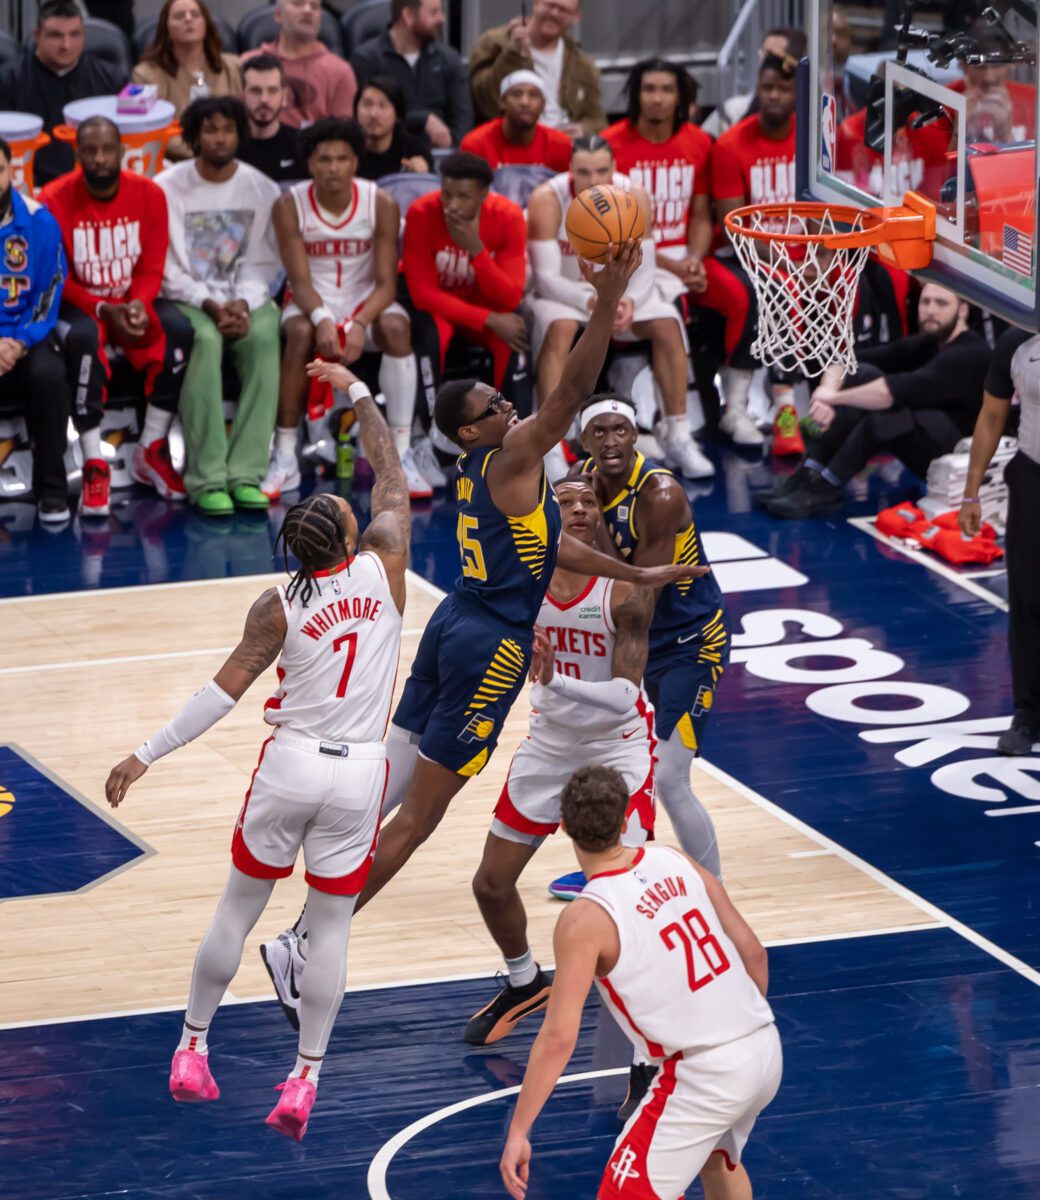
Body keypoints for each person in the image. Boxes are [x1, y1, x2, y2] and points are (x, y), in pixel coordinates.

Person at [260, 246, 704, 1026]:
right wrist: (607, 299)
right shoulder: (515, 454)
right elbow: (571, 393)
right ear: (474, 429)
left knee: (384, 790)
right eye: (496, 404)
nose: (509, 405)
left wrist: (634, 574)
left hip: (453, 621)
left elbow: (544, 548)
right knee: (417, 820)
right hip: (491, 645)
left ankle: (308, 906)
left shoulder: (475, 469)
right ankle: (305, 942)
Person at [103, 372, 411, 1141]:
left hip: (290, 765)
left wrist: (144, 755)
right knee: (330, 930)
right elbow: (390, 474)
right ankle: (305, 1078)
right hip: (360, 773)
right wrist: (357, 389)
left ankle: (192, 1048)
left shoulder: (277, 605)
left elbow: (220, 694)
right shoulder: (385, 565)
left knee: (238, 910)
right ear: (349, 539)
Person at [499, 765, 782, 1200]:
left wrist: (519, 1130)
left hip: (704, 1072)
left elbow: (559, 1038)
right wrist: (738, 1027)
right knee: (718, 1161)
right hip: (762, 1046)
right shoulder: (674, 858)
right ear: (627, 817)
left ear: (562, 826)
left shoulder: (584, 918)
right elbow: (754, 954)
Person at [465, 477, 655, 1049]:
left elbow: (626, 694)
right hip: (549, 744)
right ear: (546, 515)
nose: (577, 509)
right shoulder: (522, 583)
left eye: (588, 501)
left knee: (623, 898)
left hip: (617, 745)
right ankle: (524, 982)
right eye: (565, 501)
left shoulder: (624, 590)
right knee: (491, 884)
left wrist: (553, 682)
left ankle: (646, 1037)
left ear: (599, 516)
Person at [550, 394, 728, 908]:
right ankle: (615, 868)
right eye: (599, 432)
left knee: (670, 778)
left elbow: (638, 593)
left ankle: (714, 894)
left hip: (689, 642)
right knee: (617, 761)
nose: (611, 442)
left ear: (635, 435)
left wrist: (595, 533)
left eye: (620, 431)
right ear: (583, 440)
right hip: (636, 638)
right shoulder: (581, 483)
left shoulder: (660, 494)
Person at [527, 134, 712, 478]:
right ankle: (551, 444)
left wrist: (627, 301)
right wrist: (595, 301)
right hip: (566, 294)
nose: (593, 181)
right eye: (584, 172)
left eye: (602, 171)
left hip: (623, 289)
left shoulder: (634, 196)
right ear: (570, 169)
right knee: (561, 328)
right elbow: (545, 277)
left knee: (667, 323)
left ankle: (677, 433)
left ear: (614, 167)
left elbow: (646, 264)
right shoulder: (547, 199)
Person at [264, 117, 426, 500]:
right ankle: (284, 454)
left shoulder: (380, 202)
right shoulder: (288, 205)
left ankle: (400, 455)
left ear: (355, 161)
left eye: (341, 159)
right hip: (310, 302)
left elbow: (387, 284)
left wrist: (359, 322)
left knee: (397, 329)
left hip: (365, 302)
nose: (333, 168)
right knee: (300, 332)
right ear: (310, 163)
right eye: (324, 159)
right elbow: (298, 280)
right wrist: (323, 318)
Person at [604, 59, 761, 455]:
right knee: (672, 308)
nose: (656, 98)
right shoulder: (611, 145)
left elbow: (703, 213)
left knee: (745, 297)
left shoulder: (700, 142)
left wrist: (693, 258)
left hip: (686, 255)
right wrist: (672, 266)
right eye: (648, 89)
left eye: (666, 90)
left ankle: (736, 408)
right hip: (631, 256)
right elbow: (612, 230)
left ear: (681, 97)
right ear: (635, 95)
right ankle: (659, 419)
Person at [40, 117, 194, 517]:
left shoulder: (149, 194)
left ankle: (151, 448)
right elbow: (57, 275)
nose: (100, 158)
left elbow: (152, 265)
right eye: (90, 151)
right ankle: (94, 461)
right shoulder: (53, 198)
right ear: (77, 154)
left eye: (108, 149)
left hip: (130, 301)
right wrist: (102, 308)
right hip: (81, 304)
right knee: (84, 340)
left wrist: (139, 302)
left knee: (178, 329)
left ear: (122, 151)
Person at [760, 284, 991, 519]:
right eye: (925, 302)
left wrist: (834, 397)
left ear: (963, 310)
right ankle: (810, 473)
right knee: (863, 374)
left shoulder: (970, 353)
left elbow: (891, 393)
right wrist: (825, 392)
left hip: (965, 461)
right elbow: (847, 360)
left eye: (941, 303)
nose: (931, 310)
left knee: (886, 415)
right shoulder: (927, 343)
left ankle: (827, 487)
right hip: (933, 441)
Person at [156, 97, 281, 516]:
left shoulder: (262, 188)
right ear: (194, 136)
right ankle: (207, 477)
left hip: (246, 299)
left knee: (265, 337)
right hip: (188, 299)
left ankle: (246, 474)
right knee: (203, 341)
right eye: (210, 129)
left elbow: (266, 262)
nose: (220, 138)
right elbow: (166, 266)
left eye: (227, 129)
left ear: (240, 134)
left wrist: (242, 303)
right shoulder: (166, 186)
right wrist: (208, 303)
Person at [711, 52, 800, 446]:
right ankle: (743, 408)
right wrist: (787, 263)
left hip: (806, 251)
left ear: (798, 92)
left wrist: (822, 256)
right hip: (745, 256)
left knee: (858, 285)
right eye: (767, 88)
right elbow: (736, 229)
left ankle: (829, 400)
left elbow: (826, 208)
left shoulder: (814, 138)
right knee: (766, 292)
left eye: (783, 88)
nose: (774, 95)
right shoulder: (731, 145)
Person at [401, 153, 530, 422]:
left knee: (513, 333)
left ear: (483, 194)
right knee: (434, 334)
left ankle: (509, 424)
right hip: (437, 309)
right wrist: (488, 318)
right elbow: (423, 295)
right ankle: (428, 426)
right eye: (446, 194)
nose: (452, 205)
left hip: (479, 303)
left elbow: (510, 296)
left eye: (463, 196)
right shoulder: (421, 212)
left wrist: (476, 250)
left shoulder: (507, 216)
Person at [959, 326, 1039, 755]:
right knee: (1027, 598)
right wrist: (971, 493)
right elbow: (991, 416)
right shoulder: (1016, 342)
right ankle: (1027, 714)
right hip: (1032, 479)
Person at [0, 137, 69, 523]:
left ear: (11, 172)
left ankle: (53, 491)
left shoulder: (39, 220)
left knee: (50, 376)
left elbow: (49, 291)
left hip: (25, 335)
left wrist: (18, 343)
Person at [0, 0, 128, 187]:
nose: (66, 45)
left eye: (75, 34)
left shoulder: (111, 78)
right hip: (29, 183)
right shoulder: (7, 80)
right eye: (56, 36)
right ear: (37, 36)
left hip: (96, 182)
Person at [469, 0, 605, 136]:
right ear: (536, 3)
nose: (554, 13)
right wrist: (513, 54)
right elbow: (484, 102)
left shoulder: (581, 64)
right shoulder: (495, 43)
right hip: (511, 140)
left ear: (576, 16)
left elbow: (597, 120)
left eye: (563, 10)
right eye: (550, 5)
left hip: (563, 142)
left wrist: (583, 129)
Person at [351, 0, 472, 151]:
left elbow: (463, 123)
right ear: (408, 16)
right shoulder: (367, 59)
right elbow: (365, 120)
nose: (442, 19)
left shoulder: (449, 60)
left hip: (442, 155)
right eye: (434, 13)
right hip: (386, 154)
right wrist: (421, 120)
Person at [132, 0, 242, 162]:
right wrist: (205, 152)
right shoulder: (146, 75)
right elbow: (150, 130)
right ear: (166, 28)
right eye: (179, 16)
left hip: (231, 159)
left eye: (195, 14)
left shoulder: (234, 67)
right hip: (173, 162)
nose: (188, 19)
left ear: (206, 23)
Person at [241, 0, 357, 129]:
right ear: (278, 15)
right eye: (298, 4)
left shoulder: (340, 71)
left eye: (314, 6)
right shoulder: (246, 63)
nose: (308, 10)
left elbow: (344, 133)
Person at [701, 28, 806, 138]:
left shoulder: (810, 118)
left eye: (771, 55)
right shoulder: (733, 111)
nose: (774, 96)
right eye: (762, 53)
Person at [460, 71, 572, 171]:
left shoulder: (561, 145)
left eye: (533, 95)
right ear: (502, 102)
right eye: (516, 94)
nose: (525, 102)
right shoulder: (476, 144)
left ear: (543, 104)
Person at [239, 53, 303, 184]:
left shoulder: (302, 146)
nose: (264, 99)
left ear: (284, 96)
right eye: (255, 91)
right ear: (241, 94)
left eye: (272, 90)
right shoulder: (229, 147)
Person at [355, 76, 432, 180]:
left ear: (398, 115)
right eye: (367, 105)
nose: (373, 114)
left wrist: (423, 174)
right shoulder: (347, 150)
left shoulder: (415, 151)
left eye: (383, 106)